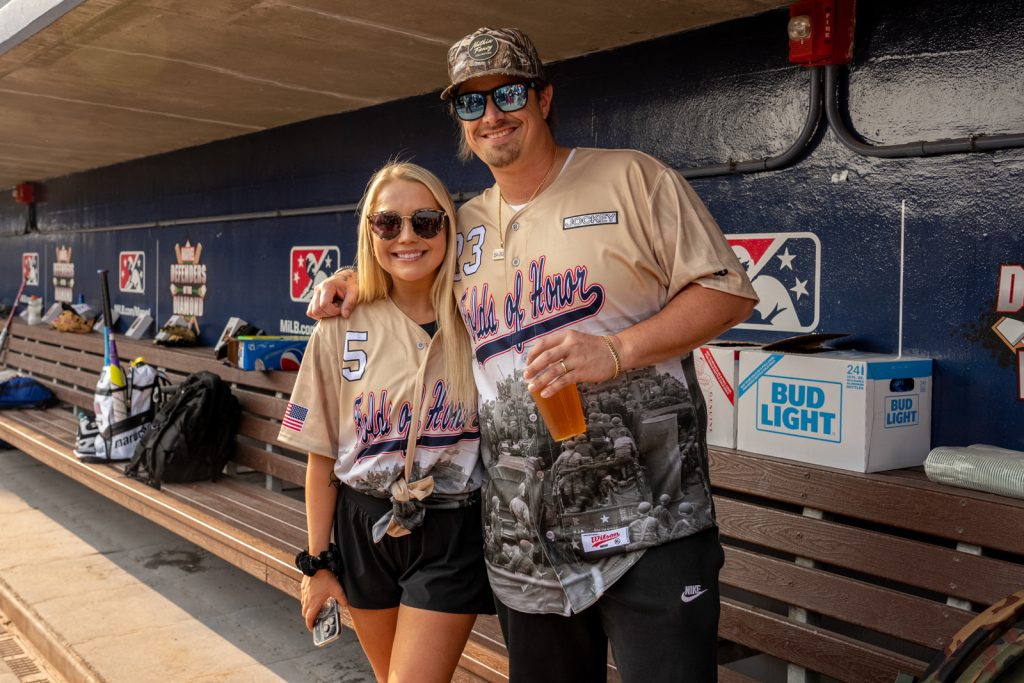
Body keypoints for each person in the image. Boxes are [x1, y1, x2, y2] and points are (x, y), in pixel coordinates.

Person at [307, 28, 758, 683]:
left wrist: (617, 349)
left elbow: (727, 292)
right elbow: (407, 271)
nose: (490, 115)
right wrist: (350, 284)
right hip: (527, 546)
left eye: (507, 93)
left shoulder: (632, 177)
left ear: (543, 98)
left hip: (651, 527)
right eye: (471, 103)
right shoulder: (465, 227)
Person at [278, 162, 493, 683]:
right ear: (369, 232)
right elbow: (322, 456)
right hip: (362, 527)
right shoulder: (340, 323)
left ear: (449, 227)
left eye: (425, 221)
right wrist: (318, 564)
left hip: (449, 525)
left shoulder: (484, 313)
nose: (407, 237)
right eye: (387, 224)